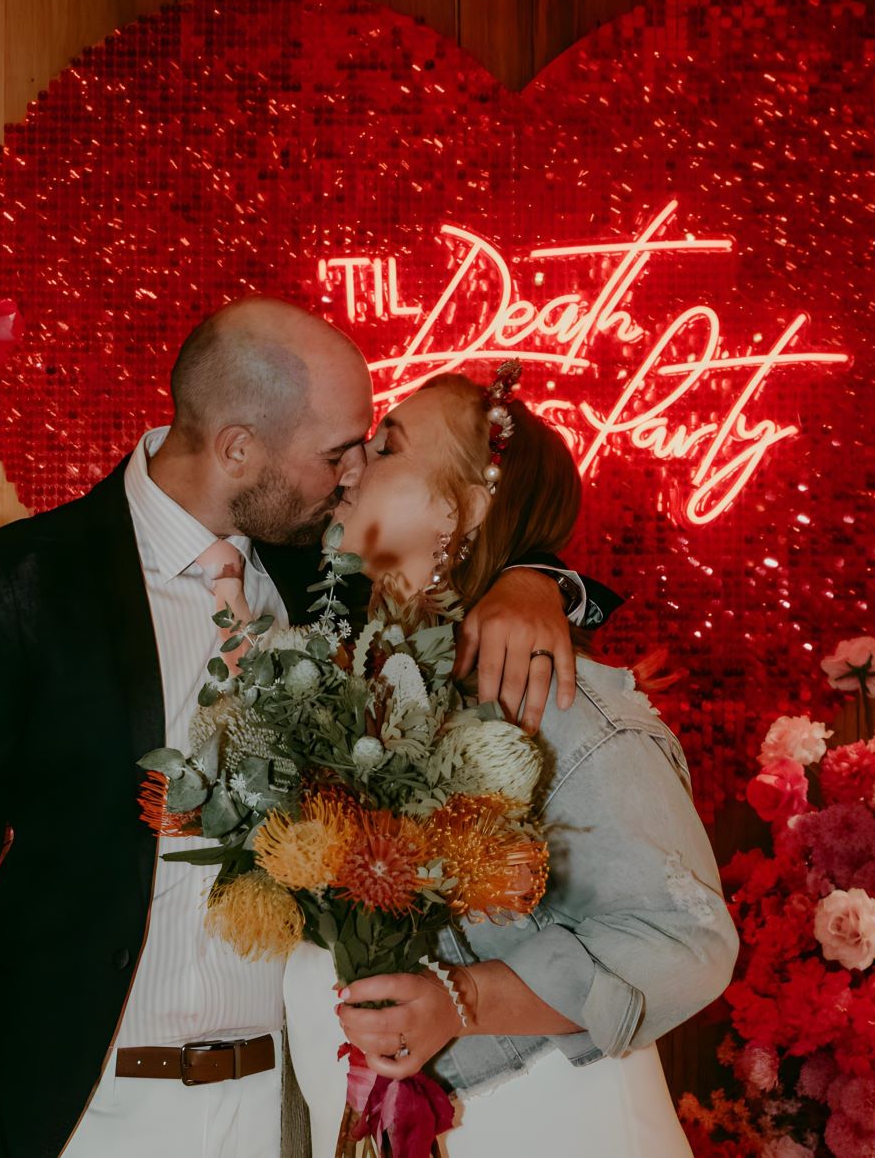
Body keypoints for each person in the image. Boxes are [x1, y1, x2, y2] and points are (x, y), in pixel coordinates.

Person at [0, 298, 606, 1158]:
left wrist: (535, 580)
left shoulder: (330, 575)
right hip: (84, 1110)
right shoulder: (27, 580)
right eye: (336, 451)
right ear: (238, 448)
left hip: (285, 1106)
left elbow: (474, 531)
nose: (352, 476)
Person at [283, 373, 739, 1157]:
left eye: (386, 446)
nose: (351, 466)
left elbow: (689, 942)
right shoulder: (350, 684)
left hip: (549, 1128)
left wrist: (462, 999)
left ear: (462, 510)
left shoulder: (554, 698)